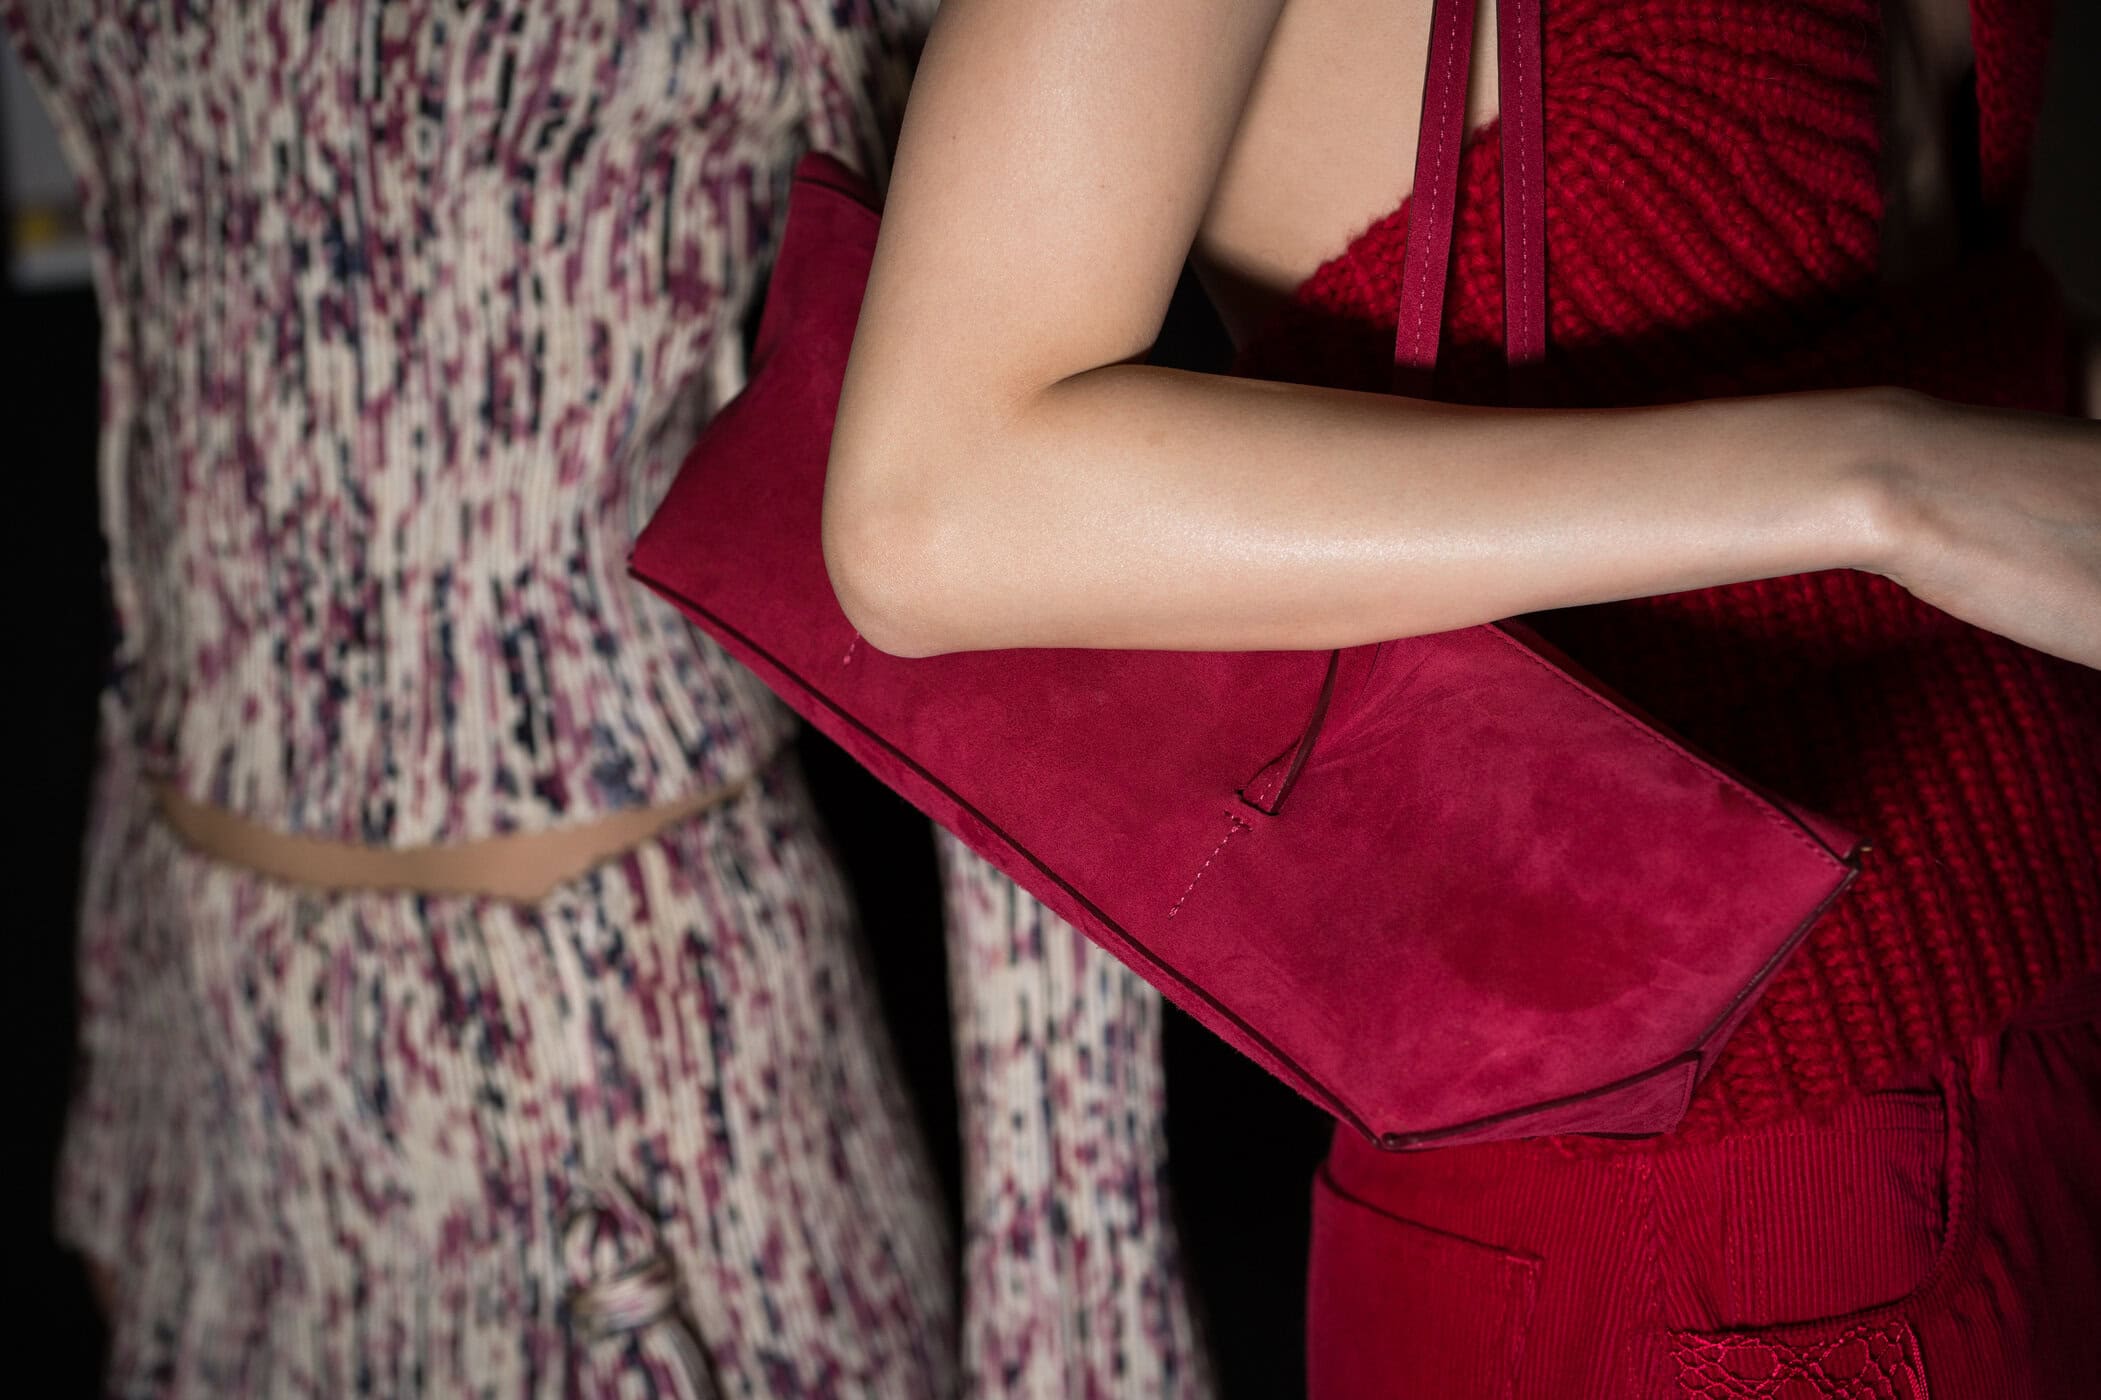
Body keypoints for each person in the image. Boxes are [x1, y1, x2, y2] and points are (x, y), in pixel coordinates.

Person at [824, 0, 2101, 1394]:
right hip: (1697, 1205)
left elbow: (1923, 318)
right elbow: (933, 510)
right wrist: (1892, 484)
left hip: (2045, 988)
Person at [7, 2, 966, 1393]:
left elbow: (998, 584)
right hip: (223, 1093)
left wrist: (1077, 1300)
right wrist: (121, 1083)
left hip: (635, 1110)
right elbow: (177, 490)